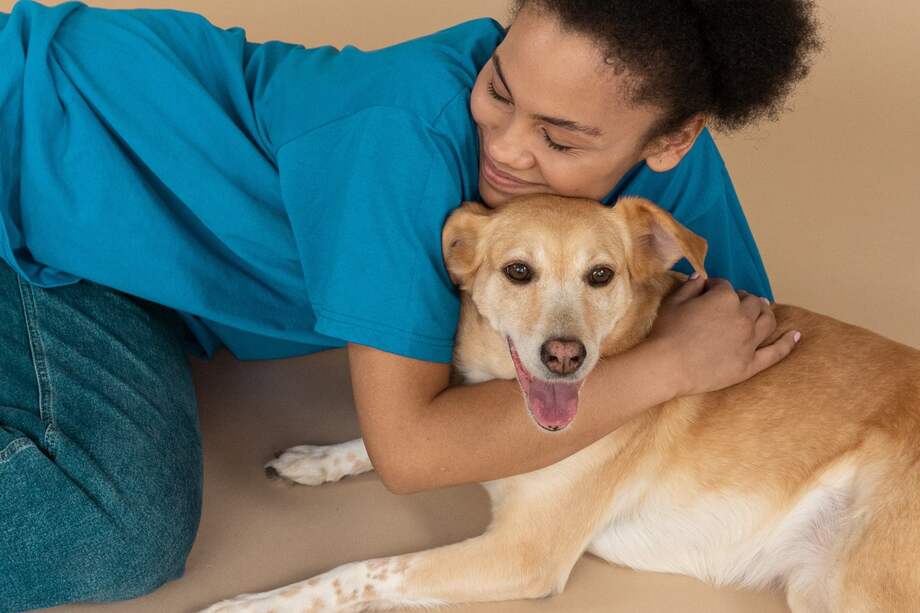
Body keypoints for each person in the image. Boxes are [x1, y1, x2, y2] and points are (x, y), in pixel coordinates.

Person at [0, 0, 819, 610]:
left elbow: (743, 339)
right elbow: (412, 451)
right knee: (121, 525)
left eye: (560, 138)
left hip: (123, 270)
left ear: (671, 140)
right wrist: (665, 366)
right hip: (28, 162)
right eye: (498, 87)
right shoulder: (402, 140)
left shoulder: (664, 166)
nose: (506, 147)